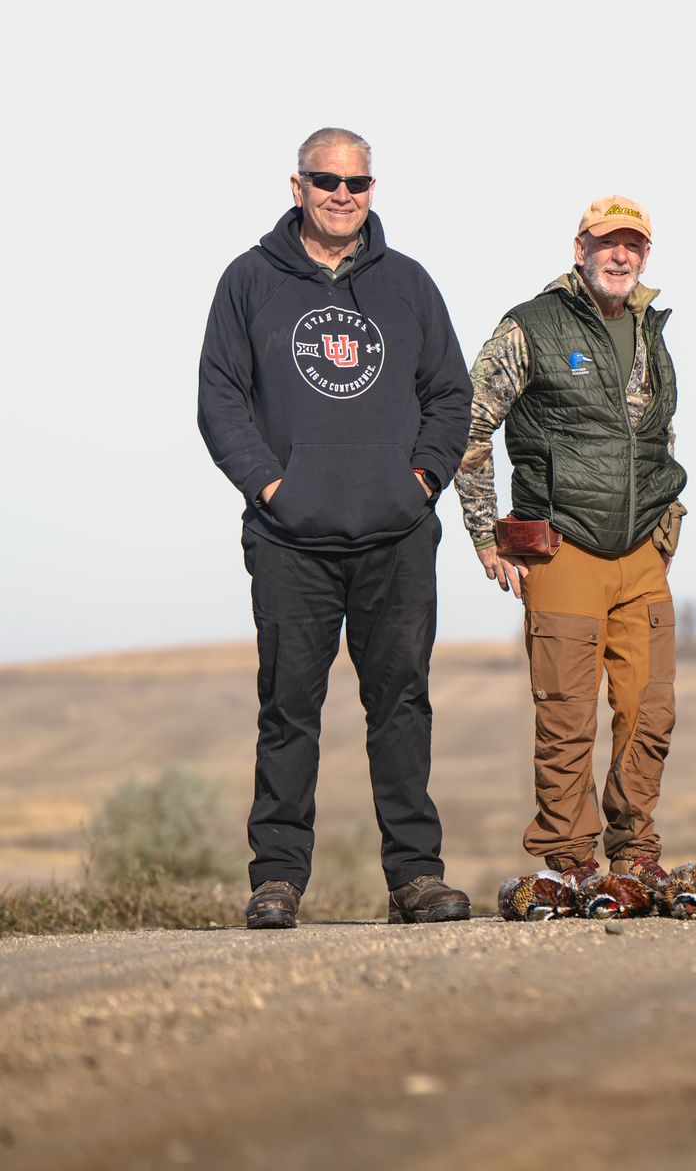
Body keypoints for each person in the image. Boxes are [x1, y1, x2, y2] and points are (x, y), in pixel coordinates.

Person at [197, 127, 473, 928]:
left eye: (355, 184)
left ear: (372, 190)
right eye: (326, 182)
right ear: (297, 187)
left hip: (395, 536)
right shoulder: (249, 282)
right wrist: (273, 487)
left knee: (402, 705)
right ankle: (277, 878)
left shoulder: (410, 285)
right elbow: (220, 397)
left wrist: (419, 481)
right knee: (288, 709)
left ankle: (417, 878)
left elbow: (450, 395)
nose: (340, 196)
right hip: (291, 541)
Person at [456, 197, 688, 885]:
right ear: (579, 247)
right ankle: (570, 861)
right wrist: (484, 534)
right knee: (566, 715)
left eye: (633, 246)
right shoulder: (529, 326)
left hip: (642, 552)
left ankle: (636, 854)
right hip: (563, 549)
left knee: (652, 710)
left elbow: (656, 435)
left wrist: (667, 524)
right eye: (606, 243)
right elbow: (469, 428)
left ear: (645, 255)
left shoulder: (652, 329)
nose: (620, 256)